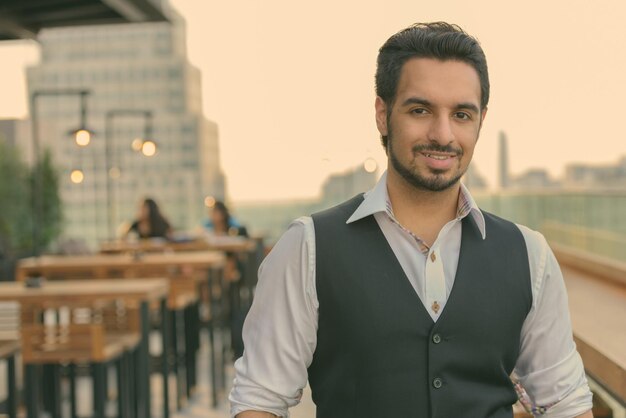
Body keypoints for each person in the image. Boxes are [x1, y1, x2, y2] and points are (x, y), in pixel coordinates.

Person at [230, 22, 593, 418]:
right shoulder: (309, 247)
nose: (442, 134)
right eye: (420, 110)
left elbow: (566, 404)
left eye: (461, 114)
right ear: (383, 115)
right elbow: (259, 401)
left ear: (481, 120)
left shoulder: (529, 255)